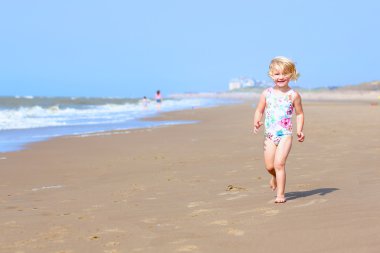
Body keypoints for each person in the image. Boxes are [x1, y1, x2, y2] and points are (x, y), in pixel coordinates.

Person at [253, 56, 305, 203]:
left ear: (292, 74)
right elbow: (259, 110)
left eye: (285, 74)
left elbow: (300, 113)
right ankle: (274, 176)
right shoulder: (266, 93)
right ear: (271, 75)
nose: (281, 77)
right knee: (270, 166)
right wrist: (256, 121)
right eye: (277, 74)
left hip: (285, 134)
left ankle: (281, 194)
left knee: (279, 164)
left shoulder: (293, 95)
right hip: (270, 135)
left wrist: (299, 130)